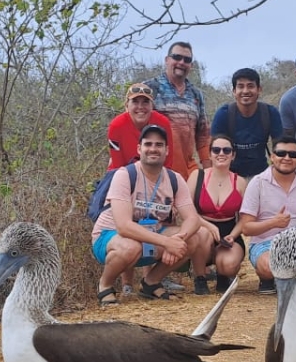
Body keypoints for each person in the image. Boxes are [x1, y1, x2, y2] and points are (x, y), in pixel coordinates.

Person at [91, 125, 213, 305]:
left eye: (159, 144)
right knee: (130, 247)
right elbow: (124, 226)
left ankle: (151, 282)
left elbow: (192, 218)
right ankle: (105, 285)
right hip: (110, 237)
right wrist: (166, 243)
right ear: (139, 149)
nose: (153, 149)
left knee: (193, 238)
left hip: (151, 237)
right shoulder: (125, 175)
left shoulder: (174, 179)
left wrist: (178, 239)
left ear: (166, 150)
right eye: (148, 144)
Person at [239, 135, 296, 294]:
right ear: (272, 157)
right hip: (265, 243)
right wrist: (273, 222)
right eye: (281, 153)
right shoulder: (257, 183)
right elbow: (246, 228)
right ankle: (270, 277)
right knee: (269, 266)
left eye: (292, 155)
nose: (286, 158)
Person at [186, 134, 248, 294]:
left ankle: (222, 276)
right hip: (201, 228)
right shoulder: (196, 176)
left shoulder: (240, 182)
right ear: (210, 154)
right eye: (216, 150)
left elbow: (245, 218)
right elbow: (187, 210)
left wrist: (233, 236)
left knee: (229, 265)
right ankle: (200, 277)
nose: (221, 153)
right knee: (202, 234)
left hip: (229, 231)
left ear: (233, 155)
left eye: (227, 150)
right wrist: (207, 225)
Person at [143, 41, 210, 179]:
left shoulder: (196, 94)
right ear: (167, 60)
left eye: (187, 60)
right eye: (177, 57)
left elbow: (202, 136)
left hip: (188, 169)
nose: (181, 62)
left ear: (191, 65)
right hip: (156, 169)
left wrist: (210, 172)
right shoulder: (149, 89)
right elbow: (132, 127)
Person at [210, 68, 283, 178]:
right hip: (229, 176)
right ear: (234, 91)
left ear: (259, 89)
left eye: (250, 86)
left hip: (261, 175)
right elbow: (215, 152)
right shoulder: (224, 114)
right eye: (240, 86)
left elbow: (281, 148)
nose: (245, 91)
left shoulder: (270, 113)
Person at [107, 83, 185, 174]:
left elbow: (167, 161)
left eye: (145, 101)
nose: (140, 107)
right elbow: (117, 166)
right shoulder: (115, 126)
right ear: (127, 105)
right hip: (124, 175)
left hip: (155, 175)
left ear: (152, 106)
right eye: (135, 101)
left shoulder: (163, 123)